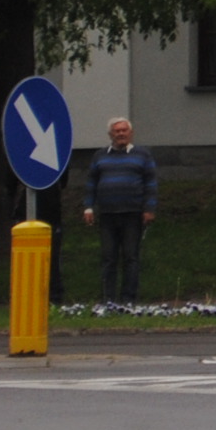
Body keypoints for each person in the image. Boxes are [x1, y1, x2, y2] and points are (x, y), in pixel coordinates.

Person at [75, 118, 158, 305]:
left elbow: (151, 184)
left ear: (131, 133)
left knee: (131, 257)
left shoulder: (143, 155)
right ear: (110, 134)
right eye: (117, 131)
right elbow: (91, 183)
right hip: (108, 214)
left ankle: (128, 299)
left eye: (124, 130)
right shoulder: (100, 156)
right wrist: (88, 207)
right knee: (108, 257)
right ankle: (108, 299)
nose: (121, 134)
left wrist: (149, 209)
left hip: (133, 213)